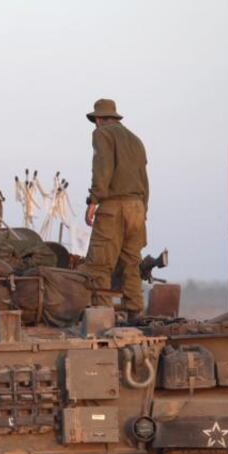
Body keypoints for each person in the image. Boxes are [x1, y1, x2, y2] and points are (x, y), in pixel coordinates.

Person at [77, 98, 149, 317]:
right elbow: (144, 180)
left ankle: (102, 318)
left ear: (98, 119)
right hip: (137, 207)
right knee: (132, 264)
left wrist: (93, 200)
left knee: (99, 266)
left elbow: (103, 168)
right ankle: (135, 313)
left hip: (113, 207)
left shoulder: (102, 134)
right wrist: (142, 209)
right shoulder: (136, 140)